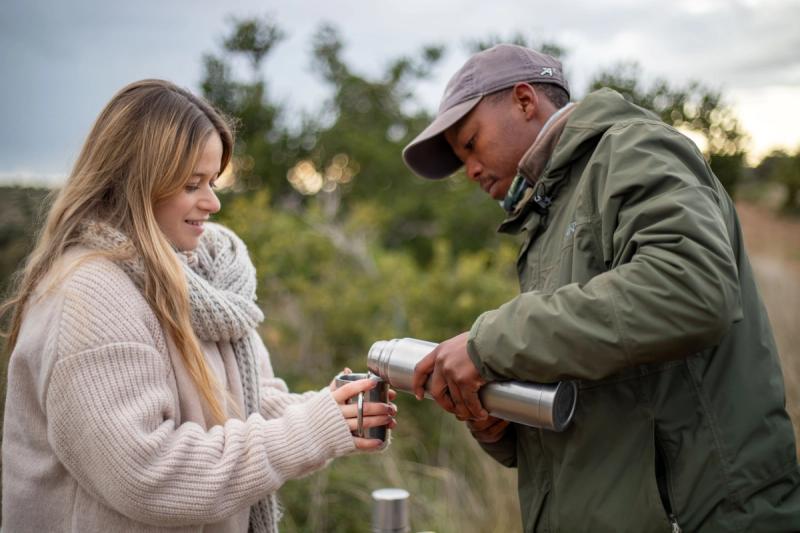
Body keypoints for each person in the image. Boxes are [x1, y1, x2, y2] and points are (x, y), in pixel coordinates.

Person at [402, 44, 800, 532]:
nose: (470, 170)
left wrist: (490, 342)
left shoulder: (632, 149)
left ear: (524, 101)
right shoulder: (547, 215)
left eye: (470, 144)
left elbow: (691, 289)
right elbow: (600, 392)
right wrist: (499, 426)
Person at [1, 79, 396, 533]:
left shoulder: (210, 282)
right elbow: (148, 474)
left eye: (212, 181)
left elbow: (249, 404)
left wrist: (334, 411)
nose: (213, 202)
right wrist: (309, 429)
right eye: (193, 185)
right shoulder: (88, 297)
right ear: (136, 184)